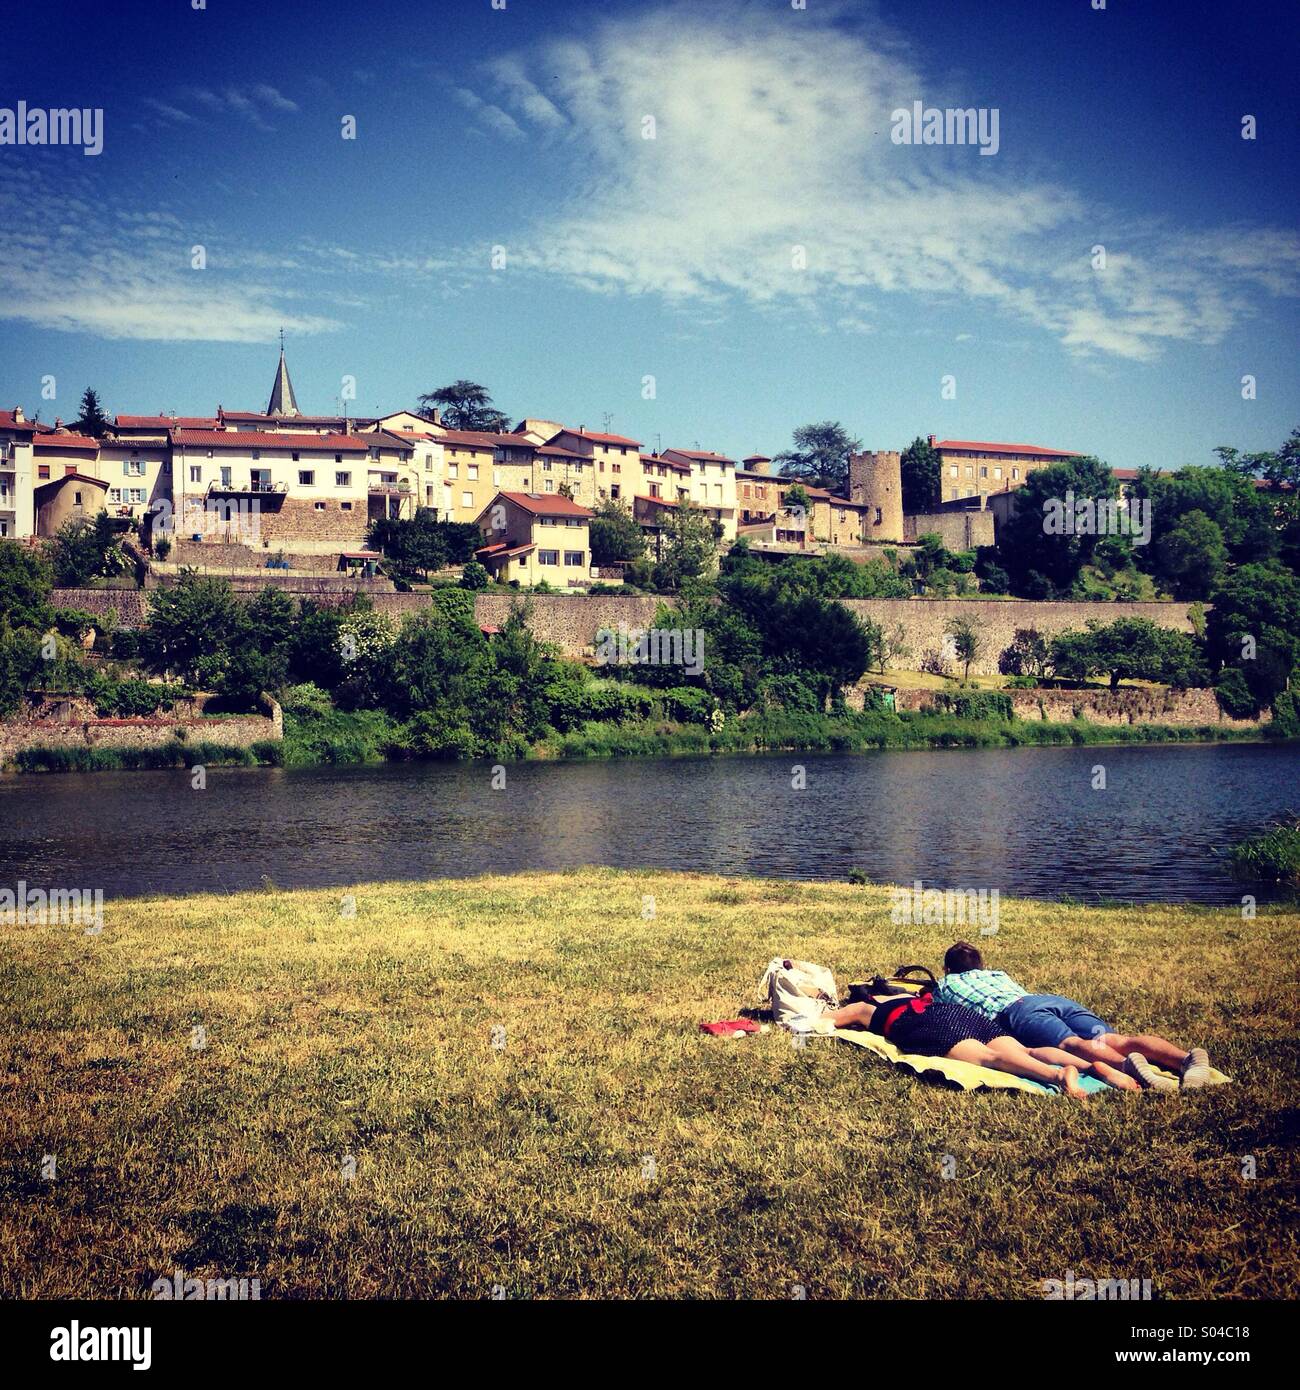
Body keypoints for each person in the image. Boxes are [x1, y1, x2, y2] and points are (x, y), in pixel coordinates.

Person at [934, 942, 1213, 1093]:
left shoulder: (946, 986)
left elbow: (932, 1005)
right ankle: (1186, 1059)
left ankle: (1131, 1068)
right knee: (1112, 1038)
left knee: (1070, 1044)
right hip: (1047, 1000)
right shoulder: (997, 974)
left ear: (947, 969)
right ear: (981, 964)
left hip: (1019, 1011)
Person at [824, 992, 1090, 1098]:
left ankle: (1057, 1075)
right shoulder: (909, 995)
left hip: (929, 1026)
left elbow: (825, 1020)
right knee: (1026, 1051)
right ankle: (1093, 1066)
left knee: (990, 1058)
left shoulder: (865, 1009)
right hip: (956, 1013)